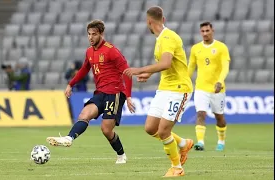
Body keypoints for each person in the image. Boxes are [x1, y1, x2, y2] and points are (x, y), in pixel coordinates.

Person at [46, 20, 135, 164]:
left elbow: (127, 72)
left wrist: (129, 96)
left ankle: (121, 155)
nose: (91, 37)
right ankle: (69, 138)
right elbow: (84, 69)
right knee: (84, 114)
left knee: (106, 130)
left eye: (94, 34)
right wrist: (71, 84)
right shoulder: (89, 51)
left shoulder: (111, 50)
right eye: (89, 34)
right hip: (100, 92)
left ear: (101, 34)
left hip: (115, 93)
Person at [124, 6, 194, 177]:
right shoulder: (161, 38)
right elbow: (166, 66)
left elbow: (166, 63)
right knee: (150, 128)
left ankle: (177, 168)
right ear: (163, 19)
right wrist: (148, 73)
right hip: (164, 88)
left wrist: (139, 70)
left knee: (163, 131)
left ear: (149, 22)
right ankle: (184, 144)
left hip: (179, 89)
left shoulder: (168, 37)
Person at [188, 22, 231, 151]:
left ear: (213, 31)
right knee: (201, 113)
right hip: (201, 87)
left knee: (219, 118)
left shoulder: (221, 47)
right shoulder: (196, 48)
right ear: (200, 32)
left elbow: (225, 66)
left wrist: (220, 81)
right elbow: (191, 67)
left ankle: (221, 141)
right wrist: (184, 80)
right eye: (203, 31)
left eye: (207, 30)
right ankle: (200, 142)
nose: (205, 33)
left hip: (217, 89)